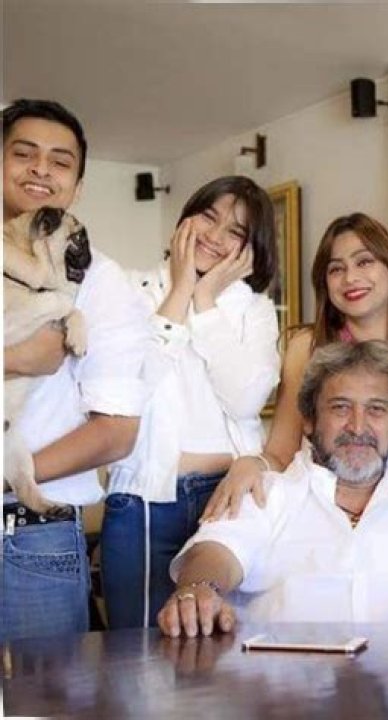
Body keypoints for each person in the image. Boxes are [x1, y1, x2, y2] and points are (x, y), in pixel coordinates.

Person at [157, 340, 388, 637]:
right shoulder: (266, 494)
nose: (358, 426)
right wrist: (200, 589)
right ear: (309, 421)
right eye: (340, 408)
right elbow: (215, 551)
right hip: (283, 694)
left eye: (376, 410)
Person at [202, 213, 388, 520]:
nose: (350, 278)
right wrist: (252, 464)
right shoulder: (306, 348)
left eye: (364, 262)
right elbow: (282, 453)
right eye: (336, 268)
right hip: (329, 530)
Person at [100, 176, 280, 628]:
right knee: (138, 650)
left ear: (252, 247)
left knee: (222, 648)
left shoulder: (254, 309)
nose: (215, 237)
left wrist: (205, 299)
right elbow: (130, 387)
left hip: (230, 499)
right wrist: (181, 290)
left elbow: (245, 400)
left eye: (235, 231)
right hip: (144, 500)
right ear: (186, 218)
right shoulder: (129, 289)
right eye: (209, 217)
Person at [2, 99, 149, 640]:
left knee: (44, 689)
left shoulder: (100, 282)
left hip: (31, 536)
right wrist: (15, 358)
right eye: (24, 153)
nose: (41, 169)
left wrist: (10, 478)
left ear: (78, 186)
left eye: (60, 161)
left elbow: (115, 432)